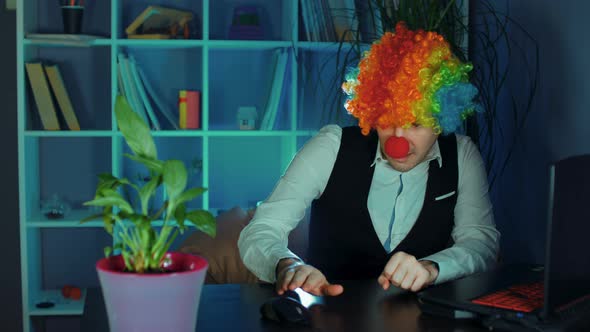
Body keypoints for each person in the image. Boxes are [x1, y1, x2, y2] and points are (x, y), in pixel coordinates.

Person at [238, 22, 500, 297]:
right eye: (388, 120)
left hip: (419, 320)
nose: (398, 140)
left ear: (441, 120)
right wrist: (287, 265)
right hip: (328, 315)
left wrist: (431, 268)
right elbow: (262, 229)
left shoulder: (462, 155)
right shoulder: (330, 147)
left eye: (416, 123)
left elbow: (480, 244)